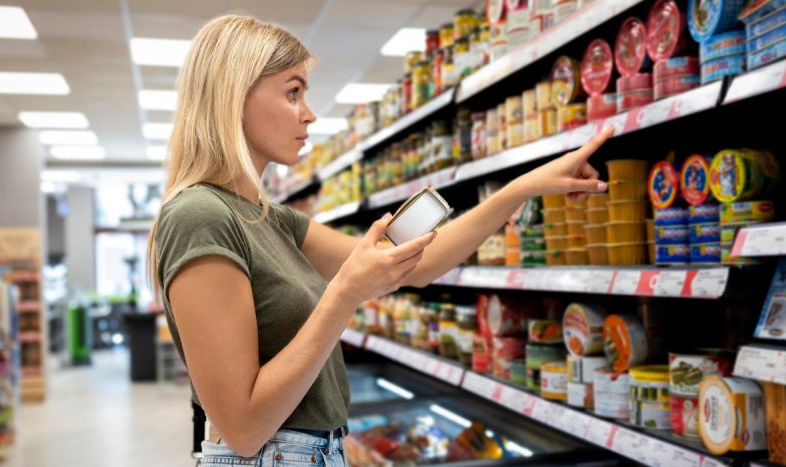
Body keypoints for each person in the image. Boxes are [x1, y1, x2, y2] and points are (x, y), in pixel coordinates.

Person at [147, 14, 613, 467]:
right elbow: (244, 426)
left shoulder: (272, 219)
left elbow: (419, 265)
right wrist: (346, 292)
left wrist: (523, 187)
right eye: (293, 93)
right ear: (234, 98)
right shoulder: (199, 216)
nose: (309, 115)